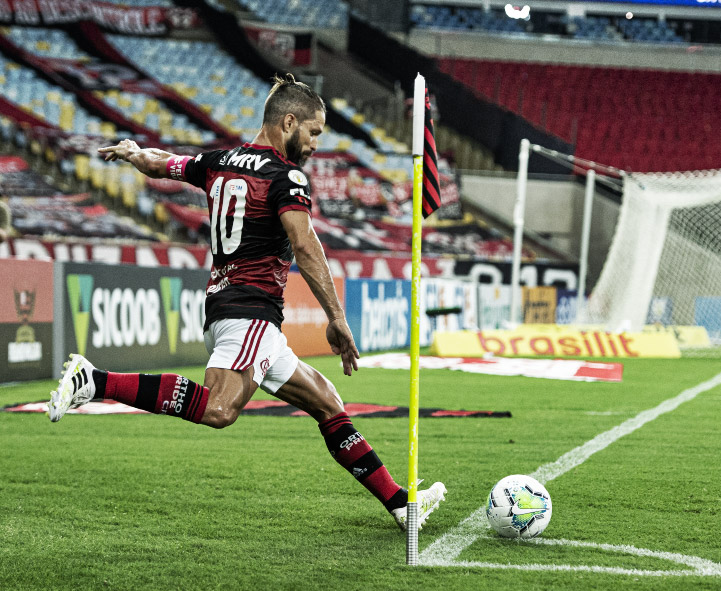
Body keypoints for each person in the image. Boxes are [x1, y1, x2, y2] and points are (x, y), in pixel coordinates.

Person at [48, 73, 445, 530]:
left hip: (236, 311)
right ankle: (94, 381)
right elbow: (305, 244)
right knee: (219, 409)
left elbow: (162, 164)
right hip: (249, 310)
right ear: (289, 122)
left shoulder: (218, 161)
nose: (316, 144)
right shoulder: (286, 176)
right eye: (314, 132)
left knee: (326, 402)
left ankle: (400, 505)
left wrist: (134, 152)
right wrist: (336, 317)